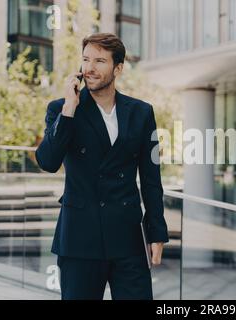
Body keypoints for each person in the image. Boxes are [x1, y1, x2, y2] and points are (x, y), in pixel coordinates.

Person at [35, 33, 169, 300]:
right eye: (85, 60)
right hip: (79, 240)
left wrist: (157, 232)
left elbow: (152, 178)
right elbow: (47, 162)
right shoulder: (61, 109)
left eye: (99, 61)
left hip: (127, 237)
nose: (89, 68)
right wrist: (69, 111)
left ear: (118, 68)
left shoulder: (142, 113)